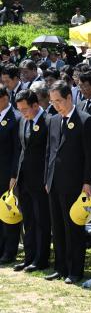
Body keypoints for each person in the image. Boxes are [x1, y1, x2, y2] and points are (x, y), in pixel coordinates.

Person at [44, 81, 91, 283]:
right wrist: (47, 178)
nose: (56, 105)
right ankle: (61, 267)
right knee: (57, 227)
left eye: (59, 101)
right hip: (55, 182)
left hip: (75, 183)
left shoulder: (86, 120)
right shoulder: (53, 120)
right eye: (52, 101)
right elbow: (49, 151)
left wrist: (87, 181)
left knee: (73, 228)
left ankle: (75, 269)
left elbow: (90, 155)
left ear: (69, 98)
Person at [12, 90, 50, 271]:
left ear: (36, 105)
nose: (23, 113)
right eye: (19, 109)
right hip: (24, 179)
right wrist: (15, 176)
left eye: (25, 109)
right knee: (28, 220)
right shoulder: (22, 121)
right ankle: (29, 257)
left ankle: (41, 259)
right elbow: (20, 150)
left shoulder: (49, 121)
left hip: (41, 180)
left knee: (41, 220)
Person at [0, 85, 21, 264]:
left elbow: (17, 151)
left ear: (5, 98)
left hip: (7, 175)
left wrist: (13, 175)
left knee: (8, 213)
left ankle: (9, 250)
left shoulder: (15, 118)